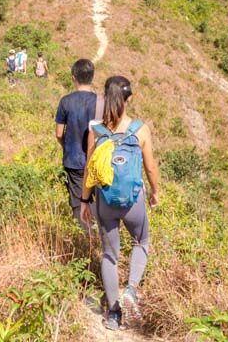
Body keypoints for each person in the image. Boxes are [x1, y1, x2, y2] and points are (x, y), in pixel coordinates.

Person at [80, 76, 160, 331]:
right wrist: (155, 192)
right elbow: (150, 167)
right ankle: (131, 290)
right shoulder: (140, 130)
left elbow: (89, 170)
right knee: (142, 241)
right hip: (133, 201)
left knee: (109, 254)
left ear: (105, 98)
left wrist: (84, 201)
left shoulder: (96, 131)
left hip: (105, 200)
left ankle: (113, 314)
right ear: (129, 99)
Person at [54, 59, 101, 233]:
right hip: (98, 161)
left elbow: (59, 133)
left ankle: (85, 241)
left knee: (79, 204)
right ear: (92, 77)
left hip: (74, 162)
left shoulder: (65, 101)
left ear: (74, 77)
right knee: (100, 203)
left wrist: (66, 147)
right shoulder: (101, 102)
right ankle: (100, 240)